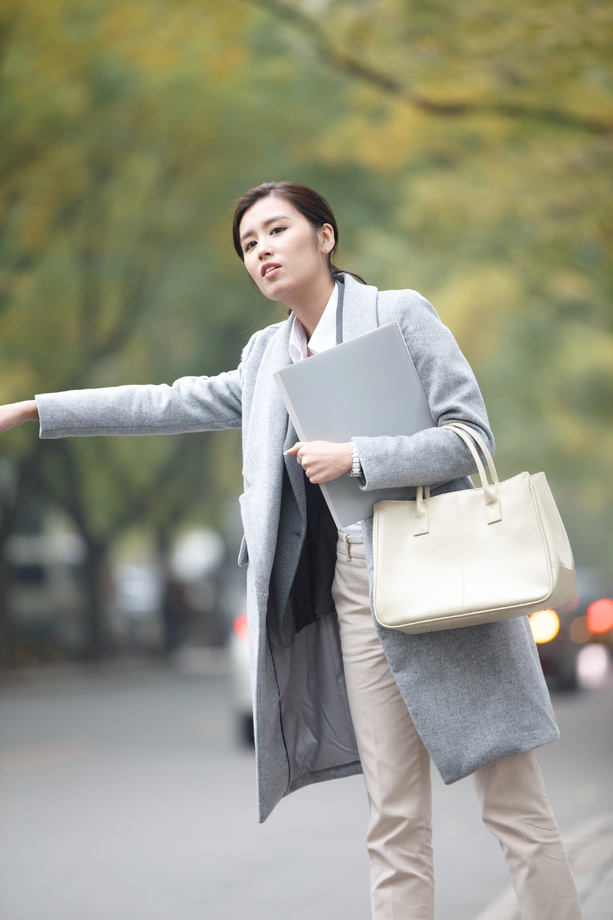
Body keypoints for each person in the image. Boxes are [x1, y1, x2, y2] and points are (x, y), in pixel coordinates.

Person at [0, 181, 582, 919]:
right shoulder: (264, 358)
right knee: (393, 820)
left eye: (276, 231)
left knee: (513, 807)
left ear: (324, 236)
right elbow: (166, 401)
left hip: (445, 575)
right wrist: (37, 408)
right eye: (248, 244)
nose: (262, 251)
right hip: (353, 596)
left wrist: (359, 457)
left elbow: (469, 437)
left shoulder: (396, 313)